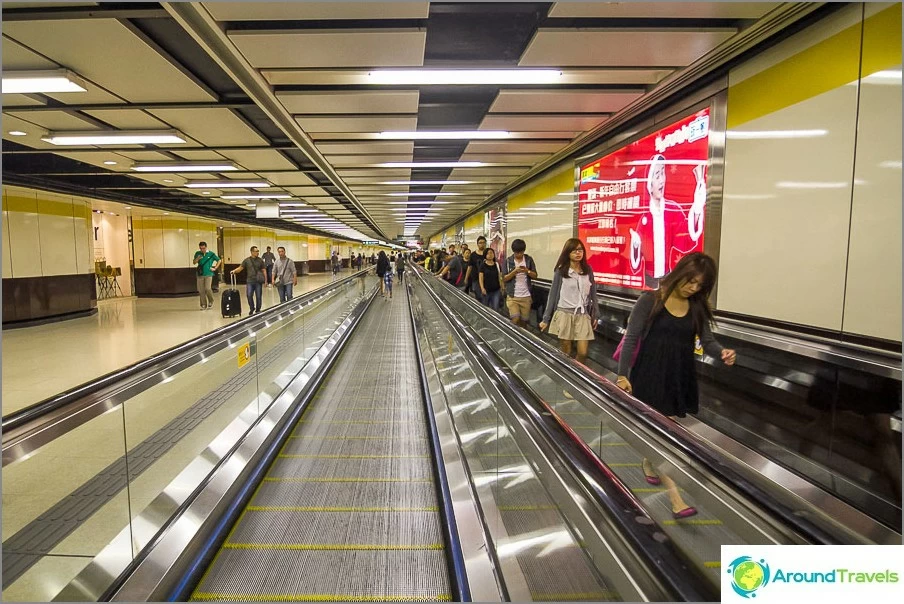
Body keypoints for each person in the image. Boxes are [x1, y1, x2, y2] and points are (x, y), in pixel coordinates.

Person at [616, 252, 736, 519]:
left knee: (661, 429)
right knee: (663, 431)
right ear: (680, 273)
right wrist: (622, 375)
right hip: (650, 372)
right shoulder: (651, 300)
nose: (693, 288)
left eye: (699, 285)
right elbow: (632, 337)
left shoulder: (696, 306)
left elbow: (707, 341)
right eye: (690, 281)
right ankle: (676, 498)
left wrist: (722, 352)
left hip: (678, 374)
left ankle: (649, 461)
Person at [629, 154, 703, 289]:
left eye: (663, 173)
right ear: (649, 185)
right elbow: (636, 262)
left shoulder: (672, 210)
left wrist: (697, 209)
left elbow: (686, 241)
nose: (662, 180)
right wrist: (635, 245)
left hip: (667, 277)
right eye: (657, 175)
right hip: (649, 281)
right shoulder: (645, 219)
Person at [539, 238, 599, 363]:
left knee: (583, 352)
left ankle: (576, 373)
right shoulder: (561, 271)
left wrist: (596, 314)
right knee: (566, 350)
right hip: (564, 313)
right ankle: (566, 374)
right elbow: (553, 294)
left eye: (580, 250)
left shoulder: (588, 270)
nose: (578, 253)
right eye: (574, 250)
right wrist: (546, 318)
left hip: (582, 315)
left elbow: (593, 293)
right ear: (568, 253)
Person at [503, 238, 538, 328]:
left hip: (526, 296)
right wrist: (514, 272)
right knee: (515, 319)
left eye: (521, 252)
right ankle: (511, 335)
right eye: (516, 253)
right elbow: (504, 278)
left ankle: (522, 339)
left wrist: (527, 271)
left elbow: (535, 275)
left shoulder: (529, 260)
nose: (519, 255)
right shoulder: (508, 261)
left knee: (524, 321)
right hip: (512, 296)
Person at [231, 246, 266, 316]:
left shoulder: (260, 260)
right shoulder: (247, 260)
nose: (257, 253)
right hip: (250, 281)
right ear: (252, 252)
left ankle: (258, 309)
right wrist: (234, 271)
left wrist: (266, 281)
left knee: (258, 296)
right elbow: (240, 268)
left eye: (258, 251)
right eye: (256, 251)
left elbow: (264, 270)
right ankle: (252, 308)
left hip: (258, 281)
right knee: (249, 295)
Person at [193, 241, 220, 311]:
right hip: (200, 274)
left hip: (209, 274)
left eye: (203, 248)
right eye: (201, 248)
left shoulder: (211, 254)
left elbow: (219, 260)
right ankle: (203, 304)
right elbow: (194, 262)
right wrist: (197, 259)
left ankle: (211, 300)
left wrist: (215, 268)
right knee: (201, 290)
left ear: (206, 247)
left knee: (207, 288)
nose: (202, 250)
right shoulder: (197, 253)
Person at [465, 235, 488, 300]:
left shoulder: (488, 254)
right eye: (480, 243)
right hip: (476, 279)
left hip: (486, 279)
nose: (482, 244)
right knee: (478, 295)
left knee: (486, 296)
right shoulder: (473, 255)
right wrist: (466, 278)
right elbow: (470, 267)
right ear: (477, 244)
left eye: (483, 243)